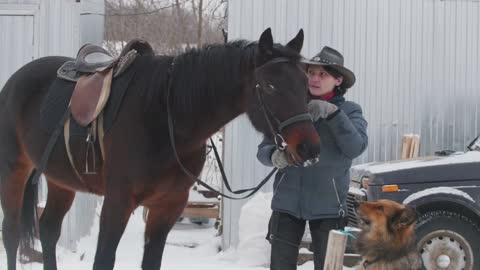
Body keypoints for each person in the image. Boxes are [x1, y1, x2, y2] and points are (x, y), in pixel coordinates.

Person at [257, 46, 368, 270]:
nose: (314, 79)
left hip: (329, 207)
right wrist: (274, 156)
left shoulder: (350, 111)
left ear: (338, 80)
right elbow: (263, 150)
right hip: (287, 204)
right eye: (311, 72)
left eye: (322, 74)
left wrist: (332, 113)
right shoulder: (288, 107)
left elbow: (355, 147)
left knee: (328, 266)